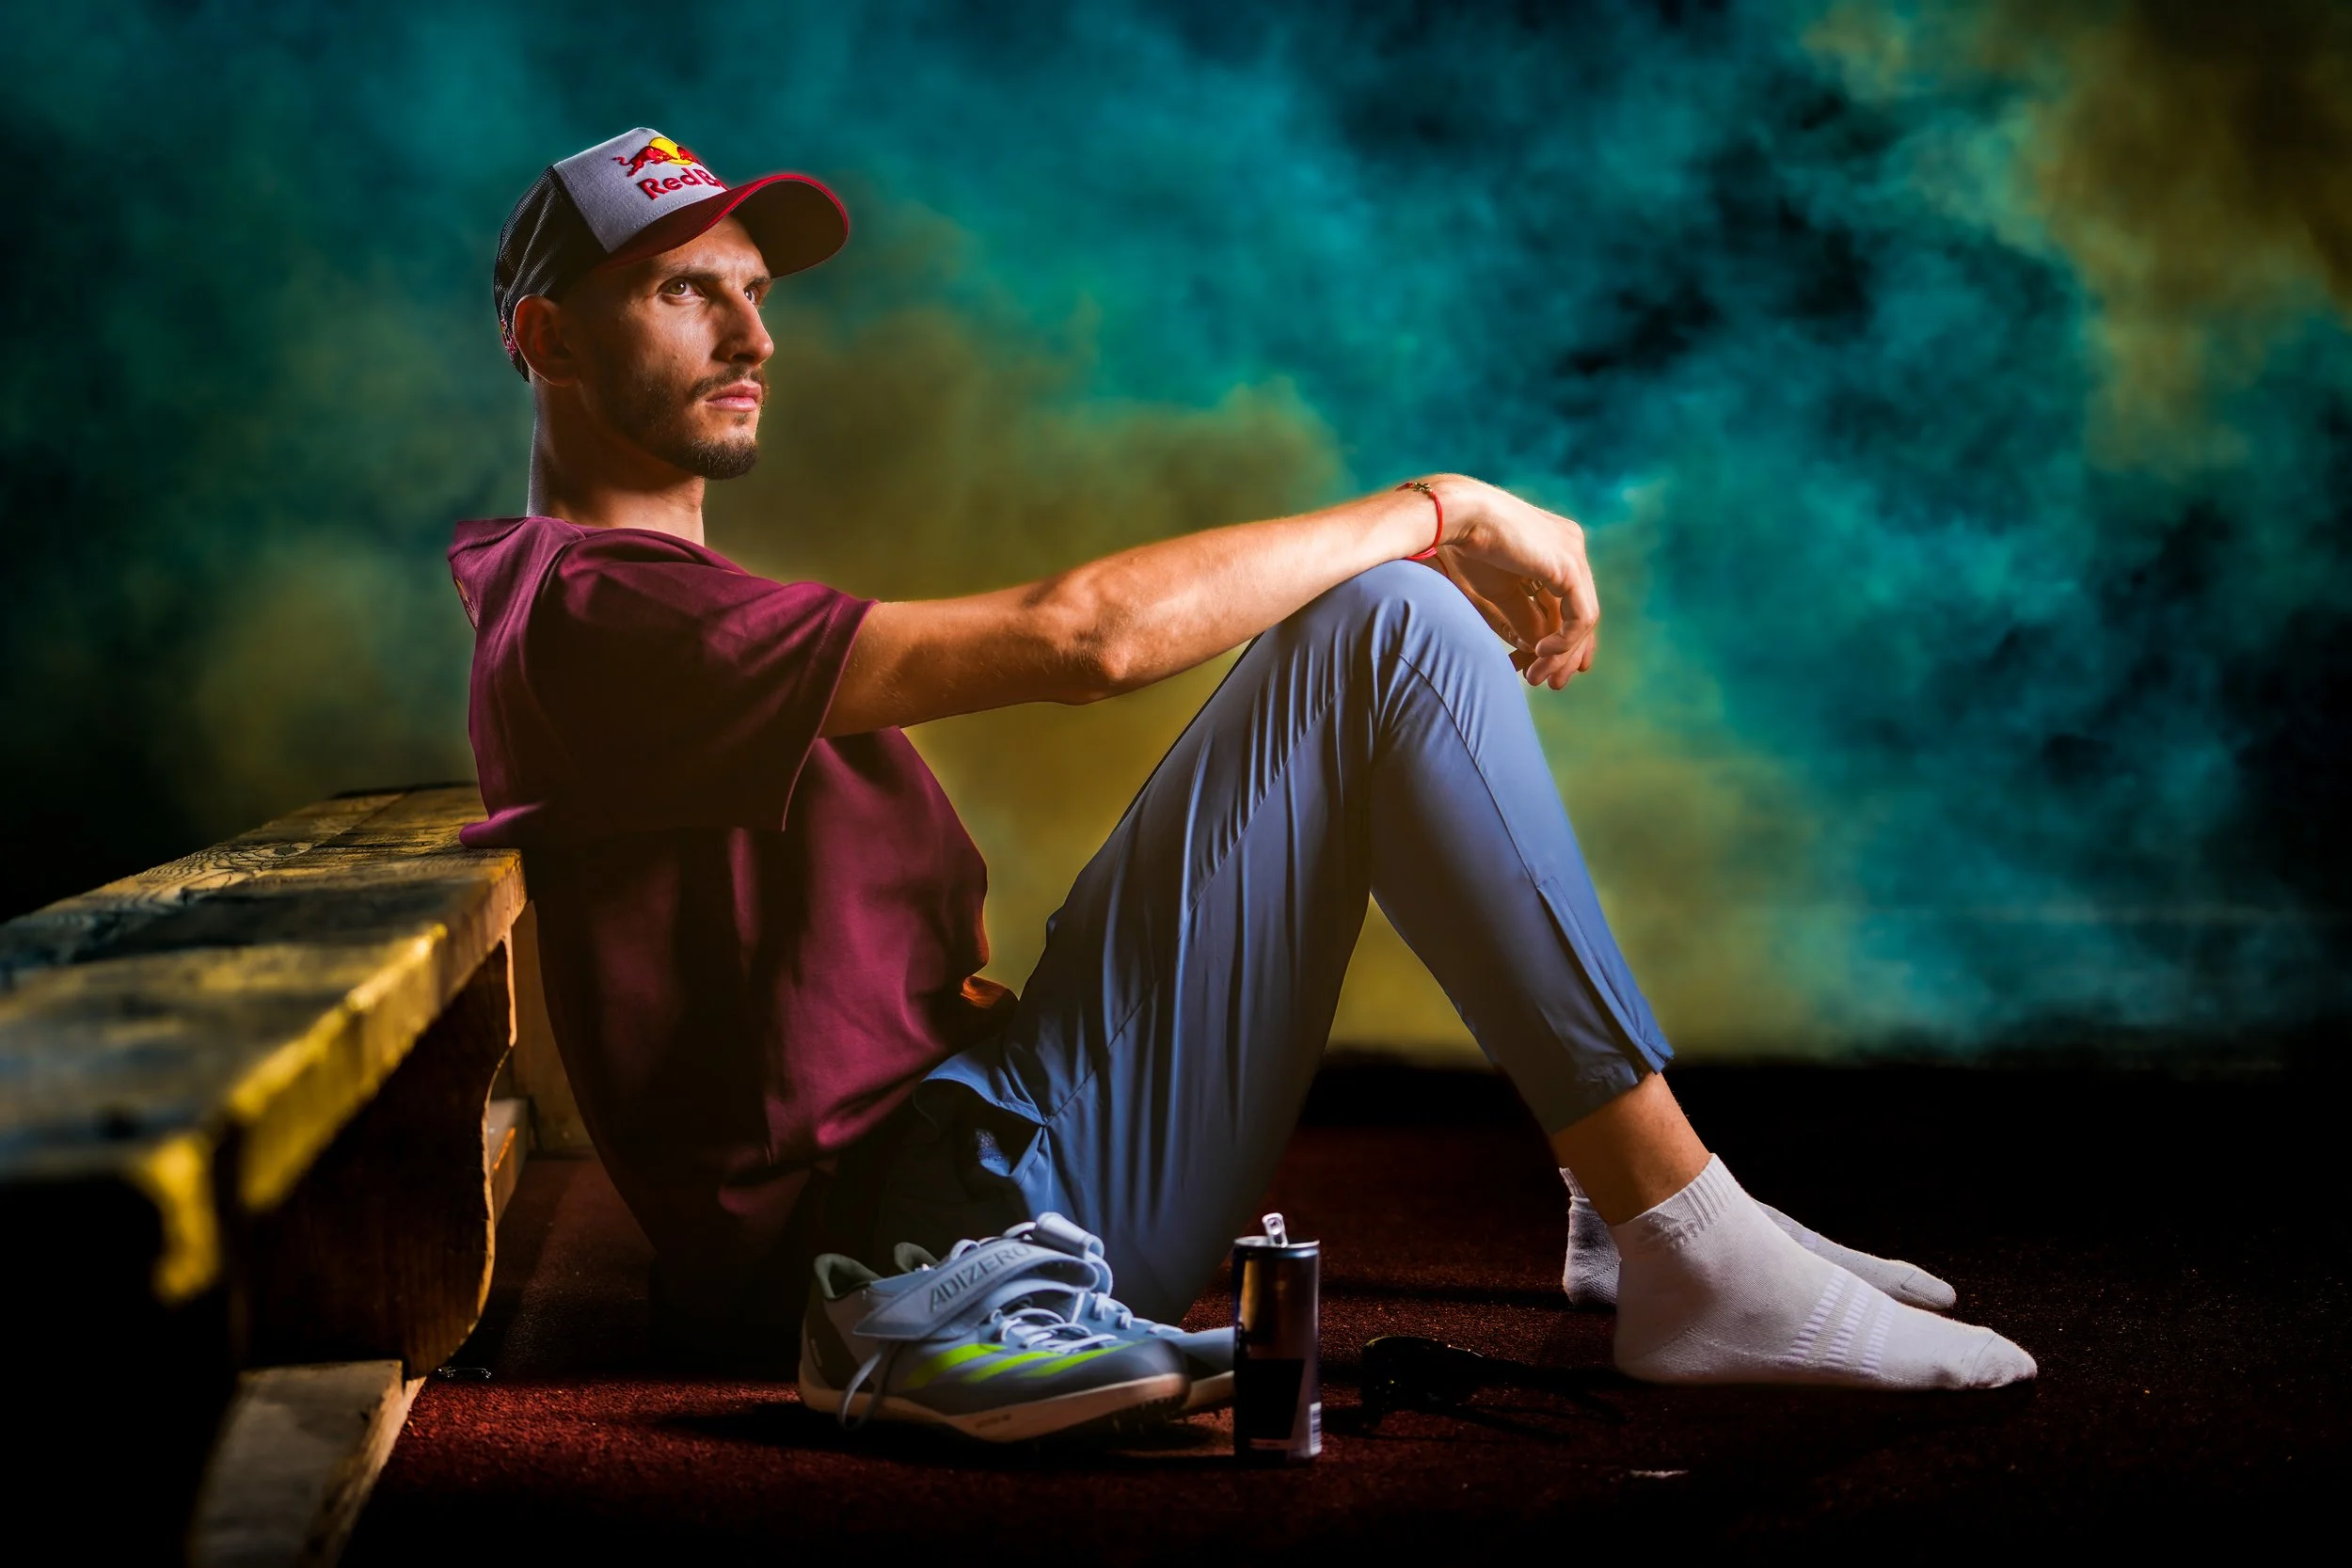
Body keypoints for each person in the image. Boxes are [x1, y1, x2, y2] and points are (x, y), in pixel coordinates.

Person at [452, 128, 2035, 1434]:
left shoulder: (614, 608)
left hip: (965, 1139)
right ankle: (1684, 1238)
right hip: (943, 1229)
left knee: (1381, 629)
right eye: (682, 292)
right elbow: (1085, 637)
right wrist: (1443, 502)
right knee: (1394, 619)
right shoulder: (598, 612)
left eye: (753, 290)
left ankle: (1653, 1212)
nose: (755, 335)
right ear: (547, 340)